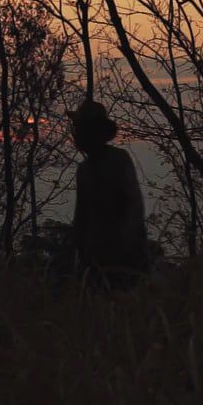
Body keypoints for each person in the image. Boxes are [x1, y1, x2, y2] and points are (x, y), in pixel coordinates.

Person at [67, 99, 149, 288]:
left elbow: (133, 207)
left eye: (81, 129)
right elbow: (81, 218)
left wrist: (124, 246)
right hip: (95, 263)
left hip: (125, 262)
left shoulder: (118, 160)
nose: (77, 135)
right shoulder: (84, 170)